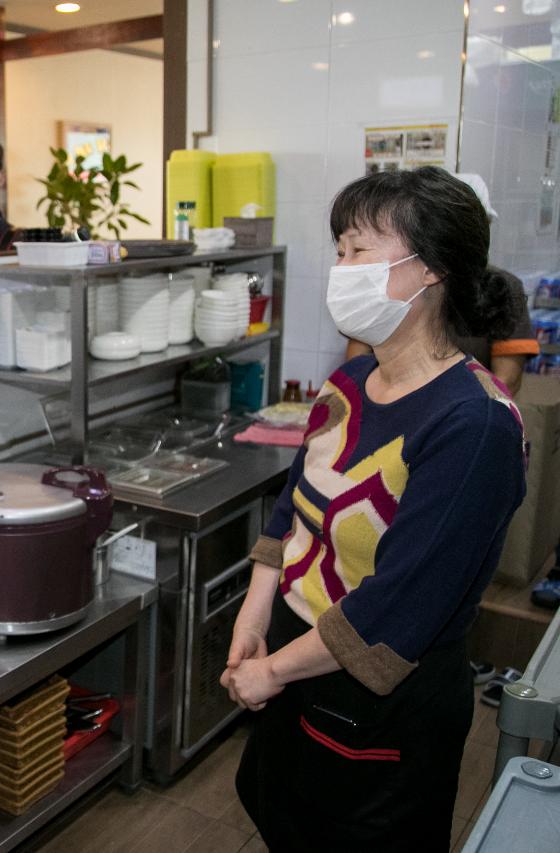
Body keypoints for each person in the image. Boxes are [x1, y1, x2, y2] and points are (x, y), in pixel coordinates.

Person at [222, 167, 526, 852]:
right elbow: (293, 507)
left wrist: (269, 671)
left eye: (360, 251)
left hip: (379, 709)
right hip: (298, 665)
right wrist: (255, 610)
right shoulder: (351, 382)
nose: (341, 268)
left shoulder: (474, 426)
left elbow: (399, 602)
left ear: (432, 271)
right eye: (339, 250)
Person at [343, 174, 537, 396]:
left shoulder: (502, 287)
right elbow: (357, 361)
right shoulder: (390, 284)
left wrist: (440, 410)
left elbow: (507, 381)